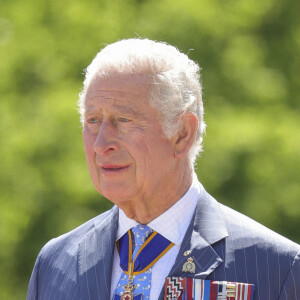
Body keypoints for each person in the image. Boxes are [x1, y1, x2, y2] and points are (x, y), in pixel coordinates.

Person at [27, 39, 300, 300]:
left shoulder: (279, 267)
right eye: (93, 120)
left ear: (182, 134)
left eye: (123, 119)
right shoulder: (54, 264)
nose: (100, 144)